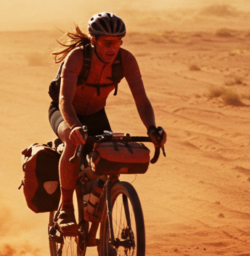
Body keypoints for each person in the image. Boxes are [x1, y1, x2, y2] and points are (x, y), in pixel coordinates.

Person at [48, 12, 167, 234]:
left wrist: (152, 128)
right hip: (65, 113)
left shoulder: (126, 60)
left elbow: (141, 100)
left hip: (95, 114)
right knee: (73, 143)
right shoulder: (76, 58)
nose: (113, 48)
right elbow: (64, 100)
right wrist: (73, 127)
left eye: (118, 42)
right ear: (94, 40)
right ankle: (65, 208)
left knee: (112, 156)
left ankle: (100, 230)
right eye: (107, 43)